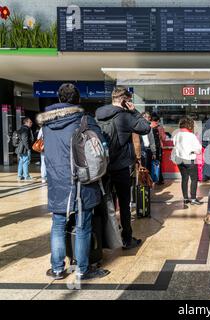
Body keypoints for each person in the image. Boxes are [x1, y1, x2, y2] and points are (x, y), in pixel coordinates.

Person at [36, 83, 109, 280]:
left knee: (58, 223)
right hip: (81, 180)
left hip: (56, 180)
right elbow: (101, 147)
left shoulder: (46, 125)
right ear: (78, 100)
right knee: (83, 225)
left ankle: (58, 268)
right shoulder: (84, 120)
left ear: (59, 100)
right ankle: (82, 269)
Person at [96, 87, 151, 250]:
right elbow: (145, 128)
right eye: (129, 101)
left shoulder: (98, 115)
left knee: (106, 203)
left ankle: (106, 238)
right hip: (120, 167)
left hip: (102, 167)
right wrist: (134, 112)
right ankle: (127, 238)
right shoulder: (125, 117)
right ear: (123, 101)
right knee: (124, 203)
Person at [172, 117, 203, 206]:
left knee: (184, 178)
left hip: (179, 160)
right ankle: (193, 198)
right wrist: (193, 150)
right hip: (189, 159)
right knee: (194, 179)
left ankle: (185, 198)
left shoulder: (177, 135)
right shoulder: (191, 136)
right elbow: (198, 150)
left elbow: (174, 144)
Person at [15, 117, 34, 181]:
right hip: (24, 148)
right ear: (26, 122)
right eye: (30, 122)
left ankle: (19, 176)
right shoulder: (26, 129)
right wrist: (28, 148)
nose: (31, 123)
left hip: (20, 148)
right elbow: (24, 139)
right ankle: (26, 176)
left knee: (21, 162)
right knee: (26, 161)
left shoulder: (21, 128)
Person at [150, 113, 167, 185]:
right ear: (158, 120)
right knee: (157, 163)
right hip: (158, 148)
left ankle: (150, 179)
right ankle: (159, 179)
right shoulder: (159, 127)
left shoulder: (148, 126)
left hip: (149, 148)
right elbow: (164, 138)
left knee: (149, 163)